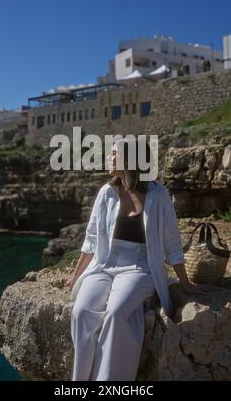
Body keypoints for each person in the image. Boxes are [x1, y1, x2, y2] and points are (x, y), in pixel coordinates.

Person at [65, 138, 211, 381]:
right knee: (81, 311)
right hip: (104, 263)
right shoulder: (106, 193)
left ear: (130, 160)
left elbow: (172, 243)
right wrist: (75, 276)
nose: (108, 159)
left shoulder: (159, 195)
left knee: (117, 312)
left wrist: (185, 283)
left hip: (140, 266)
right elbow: (90, 240)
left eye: (114, 155)